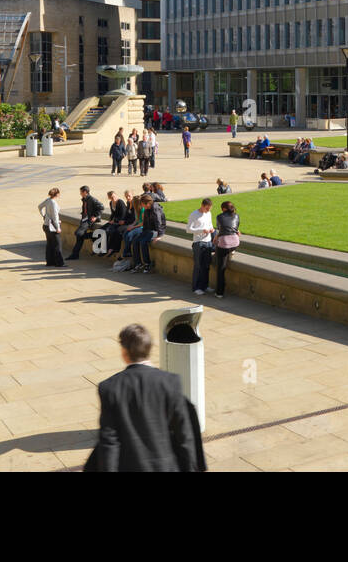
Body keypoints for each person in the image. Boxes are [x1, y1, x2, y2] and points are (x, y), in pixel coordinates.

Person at [84, 324, 206, 473]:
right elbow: (184, 436)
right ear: (149, 349)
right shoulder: (170, 382)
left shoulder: (110, 387)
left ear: (124, 352)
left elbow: (109, 442)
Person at [129, 194, 166, 274]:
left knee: (143, 242)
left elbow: (159, 223)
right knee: (135, 240)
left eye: (142, 205)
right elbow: (145, 223)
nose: (142, 207)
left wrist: (160, 235)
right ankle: (138, 263)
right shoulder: (147, 209)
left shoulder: (155, 209)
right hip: (149, 229)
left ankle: (147, 263)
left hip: (156, 230)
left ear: (147, 203)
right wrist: (143, 233)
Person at [212, 201, 241, 298]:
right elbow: (235, 229)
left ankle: (219, 292)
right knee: (227, 246)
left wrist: (216, 238)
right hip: (235, 242)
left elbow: (221, 230)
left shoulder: (219, 216)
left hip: (225, 243)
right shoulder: (237, 216)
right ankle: (232, 251)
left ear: (224, 209)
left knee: (221, 268)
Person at [187, 198, 216, 295]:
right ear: (202, 206)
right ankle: (196, 287)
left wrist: (212, 229)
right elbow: (188, 229)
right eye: (207, 208)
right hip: (198, 242)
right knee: (198, 265)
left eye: (209, 209)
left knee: (206, 265)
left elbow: (210, 224)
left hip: (208, 242)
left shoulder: (209, 214)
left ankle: (205, 285)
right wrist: (201, 230)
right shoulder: (194, 214)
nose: (208, 211)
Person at [69, 185, 105, 260]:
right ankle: (75, 255)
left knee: (78, 233)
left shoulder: (91, 199)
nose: (80, 193)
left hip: (89, 220)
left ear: (85, 192)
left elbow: (101, 207)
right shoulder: (84, 199)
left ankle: (94, 236)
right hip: (84, 219)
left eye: (81, 192)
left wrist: (95, 216)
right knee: (79, 237)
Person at [38, 187, 65, 267]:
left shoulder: (47, 200)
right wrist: (58, 227)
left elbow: (39, 207)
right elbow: (55, 216)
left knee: (49, 244)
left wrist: (44, 216)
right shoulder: (53, 203)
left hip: (46, 225)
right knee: (57, 245)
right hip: (52, 227)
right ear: (57, 194)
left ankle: (50, 262)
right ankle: (59, 263)